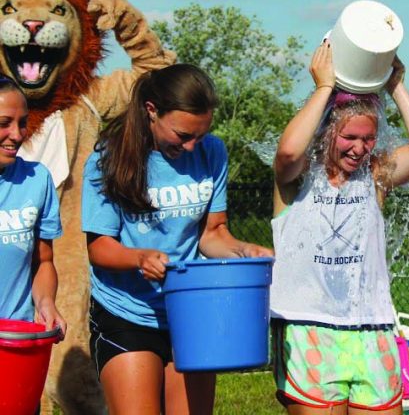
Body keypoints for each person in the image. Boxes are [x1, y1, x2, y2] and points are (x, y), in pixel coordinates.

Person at [81, 64, 272, 415]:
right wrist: (139, 259)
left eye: (200, 135)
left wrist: (243, 250)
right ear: (151, 111)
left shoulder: (211, 152)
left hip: (191, 312)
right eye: (183, 135)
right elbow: (99, 248)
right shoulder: (106, 159)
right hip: (128, 312)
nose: (191, 146)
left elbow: (212, 235)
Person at [270, 41, 409, 414]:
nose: (360, 148)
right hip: (308, 327)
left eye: (369, 138)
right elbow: (287, 152)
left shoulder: (374, 177)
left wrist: (395, 86)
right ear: (328, 132)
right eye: (349, 137)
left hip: (371, 328)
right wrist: (324, 88)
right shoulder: (296, 180)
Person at [0, 78, 66, 334]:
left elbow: (44, 261)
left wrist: (46, 302)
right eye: (4, 123)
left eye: (23, 123)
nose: (17, 135)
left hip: (16, 336)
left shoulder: (38, 180)